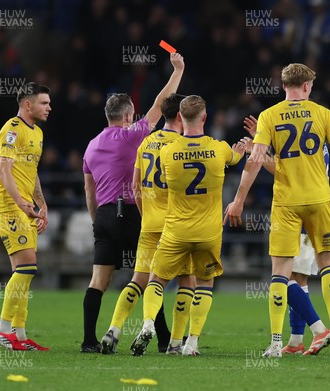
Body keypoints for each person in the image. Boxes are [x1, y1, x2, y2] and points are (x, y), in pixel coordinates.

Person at [224, 63, 330, 358]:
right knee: (328, 265)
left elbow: (255, 162)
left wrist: (239, 199)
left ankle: (277, 343)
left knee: (281, 273)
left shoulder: (270, 116)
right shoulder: (322, 114)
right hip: (319, 200)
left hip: (287, 203)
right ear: (306, 86)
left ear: (284, 86)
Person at [81, 53, 184, 353]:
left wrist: (95, 221)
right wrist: (177, 71)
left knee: (99, 278)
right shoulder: (130, 136)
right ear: (127, 116)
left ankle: (89, 340)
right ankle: (165, 340)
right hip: (130, 214)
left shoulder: (91, 146)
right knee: (152, 275)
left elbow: (89, 192)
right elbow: (161, 105)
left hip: (102, 216)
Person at [130, 95, 245, 356]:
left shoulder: (168, 151)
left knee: (156, 281)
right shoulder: (219, 148)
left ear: (180, 118)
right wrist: (244, 147)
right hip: (208, 231)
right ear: (204, 117)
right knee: (203, 284)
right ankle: (189, 343)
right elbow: (236, 157)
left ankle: (148, 322)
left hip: (176, 229)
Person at [100, 93, 195, 354]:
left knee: (138, 279)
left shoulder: (146, 142)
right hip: (176, 225)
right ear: (180, 116)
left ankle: (113, 329)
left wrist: (145, 214)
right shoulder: (182, 144)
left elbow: (134, 186)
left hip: (149, 223)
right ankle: (174, 343)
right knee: (187, 280)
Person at [242, 116, 330, 356]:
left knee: (286, 277)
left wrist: (256, 149)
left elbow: (283, 172)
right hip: (313, 213)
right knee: (299, 280)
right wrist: (262, 141)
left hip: (297, 215)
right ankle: (295, 341)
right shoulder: (317, 142)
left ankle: (320, 329)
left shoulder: (299, 146)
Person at [0, 82, 51, 351]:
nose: (49, 107)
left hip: (24, 206)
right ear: (28, 104)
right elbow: (5, 171)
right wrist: (22, 203)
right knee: (28, 265)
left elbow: (31, 171)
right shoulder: (12, 129)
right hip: (7, 205)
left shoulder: (36, 133)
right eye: (44, 103)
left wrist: (41, 203)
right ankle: (2, 330)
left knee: (23, 271)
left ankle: (21, 334)